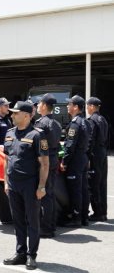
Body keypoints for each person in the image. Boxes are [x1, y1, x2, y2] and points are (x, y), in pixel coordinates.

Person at [3, 101, 49, 271]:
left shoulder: (37, 135)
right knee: (18, 220)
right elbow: (6, 159)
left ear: (27, 115)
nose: (12, 115)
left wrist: (41, 187)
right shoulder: (9, 133)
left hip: (30, 185)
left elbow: (44, 163)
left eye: (16, 113)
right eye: (12, 113)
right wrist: (6, 182)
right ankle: (20, 252)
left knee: (32, 221)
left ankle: (31, 255)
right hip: (13, 184)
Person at [60, 95, 91, 227]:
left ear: (76, 107)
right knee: (83, 189)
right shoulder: (86, 122)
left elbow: (70, 145)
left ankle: (76, 217)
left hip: (75, 160)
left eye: (69, 104)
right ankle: (84, 217)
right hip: (83, 158)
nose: (67, 106)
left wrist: (64, 162)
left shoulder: (75, 123)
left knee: (75, 190)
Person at [34, 94, 62, 238]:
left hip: (43, 162)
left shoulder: (41, 123)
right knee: (49, 195)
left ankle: (45, 228)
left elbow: (38, 145)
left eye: (39, 103)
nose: (37, 106)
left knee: (42, 195)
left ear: (44, 106)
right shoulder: (56, 123)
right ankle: (51, 226)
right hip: (53, 160)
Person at [86, 97, 109, 222]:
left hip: (95, 154)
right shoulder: (103, 119)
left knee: (94, 183)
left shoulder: (92, 120)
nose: (87, 108)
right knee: (102, 183)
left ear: (92, 106)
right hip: (103, 153)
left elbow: (90, 140)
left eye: (87, 106)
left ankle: (98, 212)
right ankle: (103, 211)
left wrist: (87, 156)